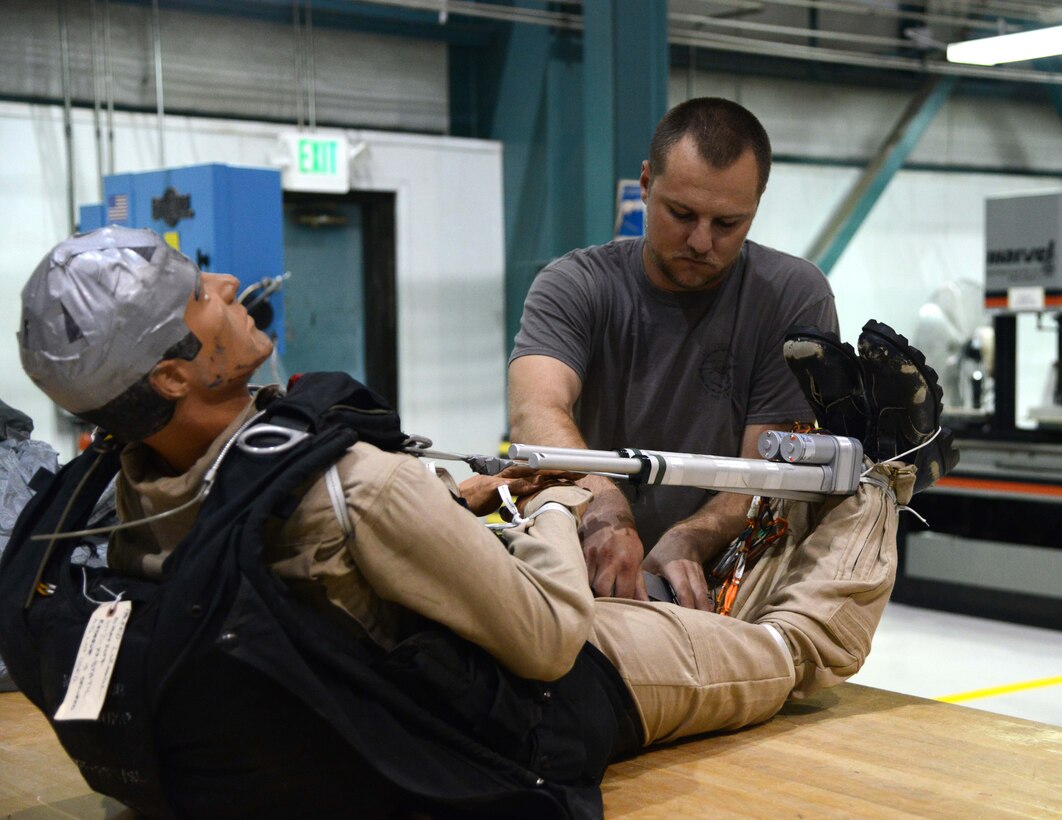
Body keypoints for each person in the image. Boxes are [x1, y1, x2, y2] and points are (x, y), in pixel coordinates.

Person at [15, 227, 951, 816]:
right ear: (173, 373)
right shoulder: (347, 483)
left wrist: (452, 514)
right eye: (195, 294)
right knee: (790, 653)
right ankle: (884, 478)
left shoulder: (108, 496)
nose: (222, 285)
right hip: (539, 689)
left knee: (708, 617)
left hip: (388, 675)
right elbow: (545, 639)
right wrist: (554, 498)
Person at [508, 97, 839, 609]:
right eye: (681, 214)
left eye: (728, 223)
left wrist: (692, 536)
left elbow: (773, 473)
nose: (701, 241)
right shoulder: (574, 285)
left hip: (724, 581)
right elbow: (536, 410)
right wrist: (605, 507)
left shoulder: (792, 297)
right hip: (584, 563)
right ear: (645, 184)